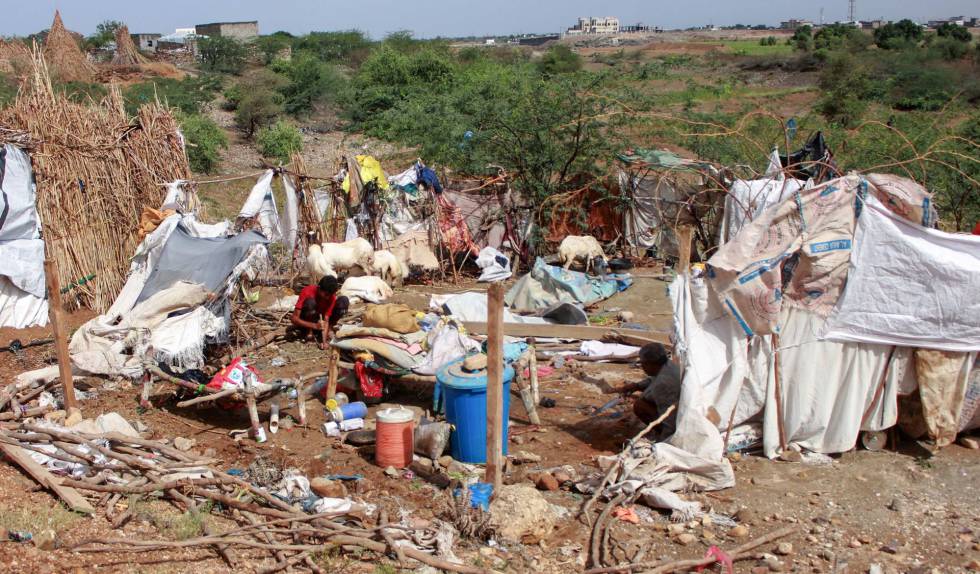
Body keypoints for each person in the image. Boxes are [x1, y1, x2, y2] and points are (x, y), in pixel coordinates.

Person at [618, 343, 681, 440]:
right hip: (678, 408)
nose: (642, 367)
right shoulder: (667, 365)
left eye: (643, 363)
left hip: (678, 419)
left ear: (650, 363)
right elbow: (653, 378)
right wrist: (637, 386)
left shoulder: (664, 384)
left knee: (640, 406)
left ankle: (660, 433)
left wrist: (665, 442)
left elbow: (669, 419)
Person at [289, 275, 349, 349]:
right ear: (319, 288)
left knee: (344, 301)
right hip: (308, 320)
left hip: (320, 322)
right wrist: (314, 326)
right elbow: (294, 319)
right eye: (326, 294)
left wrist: (324, 341)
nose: (327, 297)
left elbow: (326, 319)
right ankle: (309, 332)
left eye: (330, 295)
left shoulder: (331, 296)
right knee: (310, 302)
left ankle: (329, 330)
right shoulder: (307, 291)